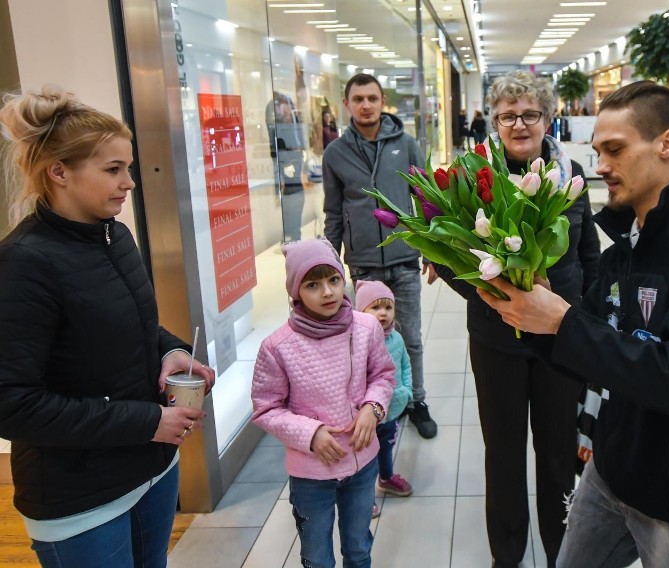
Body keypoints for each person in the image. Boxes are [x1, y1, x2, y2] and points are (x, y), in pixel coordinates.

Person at [477, 80, 669, 567]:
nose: (600, 166)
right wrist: (527, 313)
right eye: (597, 151)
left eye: (615, 150)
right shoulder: (627, 249)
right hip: (612, 472)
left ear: (668, 143)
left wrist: (561, 322)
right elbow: (591, 345)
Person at [0, 85, 215, 567]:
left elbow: (135, 328)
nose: (130, 183)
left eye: (129, 168)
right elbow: (12, 404)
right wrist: (148, 422)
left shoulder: (115, 235)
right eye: (114, 170)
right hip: (79, 502)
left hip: (151, 472)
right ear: (59, 172)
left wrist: (172, 353)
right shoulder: (23, 263)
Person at [432, 70, 600, 568]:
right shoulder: (472, 177)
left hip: (560, 339)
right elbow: (444, 258)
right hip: (496, 339)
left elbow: (588, 253)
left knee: (556, 453)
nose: (519, 124)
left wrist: (583, 316)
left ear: (549, 119)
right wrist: (493, 296)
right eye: (508, 115)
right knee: (503, 453)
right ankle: (506, 555)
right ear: (494, 121)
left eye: (530, 114)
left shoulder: (570, 177)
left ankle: (560, 552)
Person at [251, 238, 395, 568]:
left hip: (362, 461)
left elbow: (383, 375)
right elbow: (266, 407)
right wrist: (310, 433)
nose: (328, 292)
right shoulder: (278, 347)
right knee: (316, 557)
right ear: (294, 291)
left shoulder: (367, 327)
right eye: (313, 284)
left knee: (359, 548)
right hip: (311, 472)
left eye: (333, 280)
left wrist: (372, 408)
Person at [322, 73, 437, 439]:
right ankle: (378, 403)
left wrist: (434, 251)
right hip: (364, 264)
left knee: (411, 337)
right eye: (358, 99)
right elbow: (334, 213)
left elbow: (428, 198)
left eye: (372, 98)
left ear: (382, 100)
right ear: (347, 104)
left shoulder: (405, 144)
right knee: (367, 342)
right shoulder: (335, 154)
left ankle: (417, 400)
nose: (366, 105)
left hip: (403, 259)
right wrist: (330, 264)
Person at [355, 280, 414, 518]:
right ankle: (363, 497)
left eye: (388, 308)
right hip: (368, 415)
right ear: (361, 312)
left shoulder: (397, 339)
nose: (383, 313)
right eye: (375, 307)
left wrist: (408, 390)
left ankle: (387, 477)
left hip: (392, 410)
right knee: (365, 456)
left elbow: (406, 365)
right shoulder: (358, 342)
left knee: (387, 446)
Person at [267, 91, 308, 241]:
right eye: (281, 106)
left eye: (286, 106)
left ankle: (294, 234)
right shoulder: (276, 124)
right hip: (287, 165)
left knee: (297, 196)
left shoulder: (294, 121)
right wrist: (286, 163)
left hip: (296, 163)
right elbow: (276, 148)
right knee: (290, 198)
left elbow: (299, 140)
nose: (284, 109)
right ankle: (291, 234)